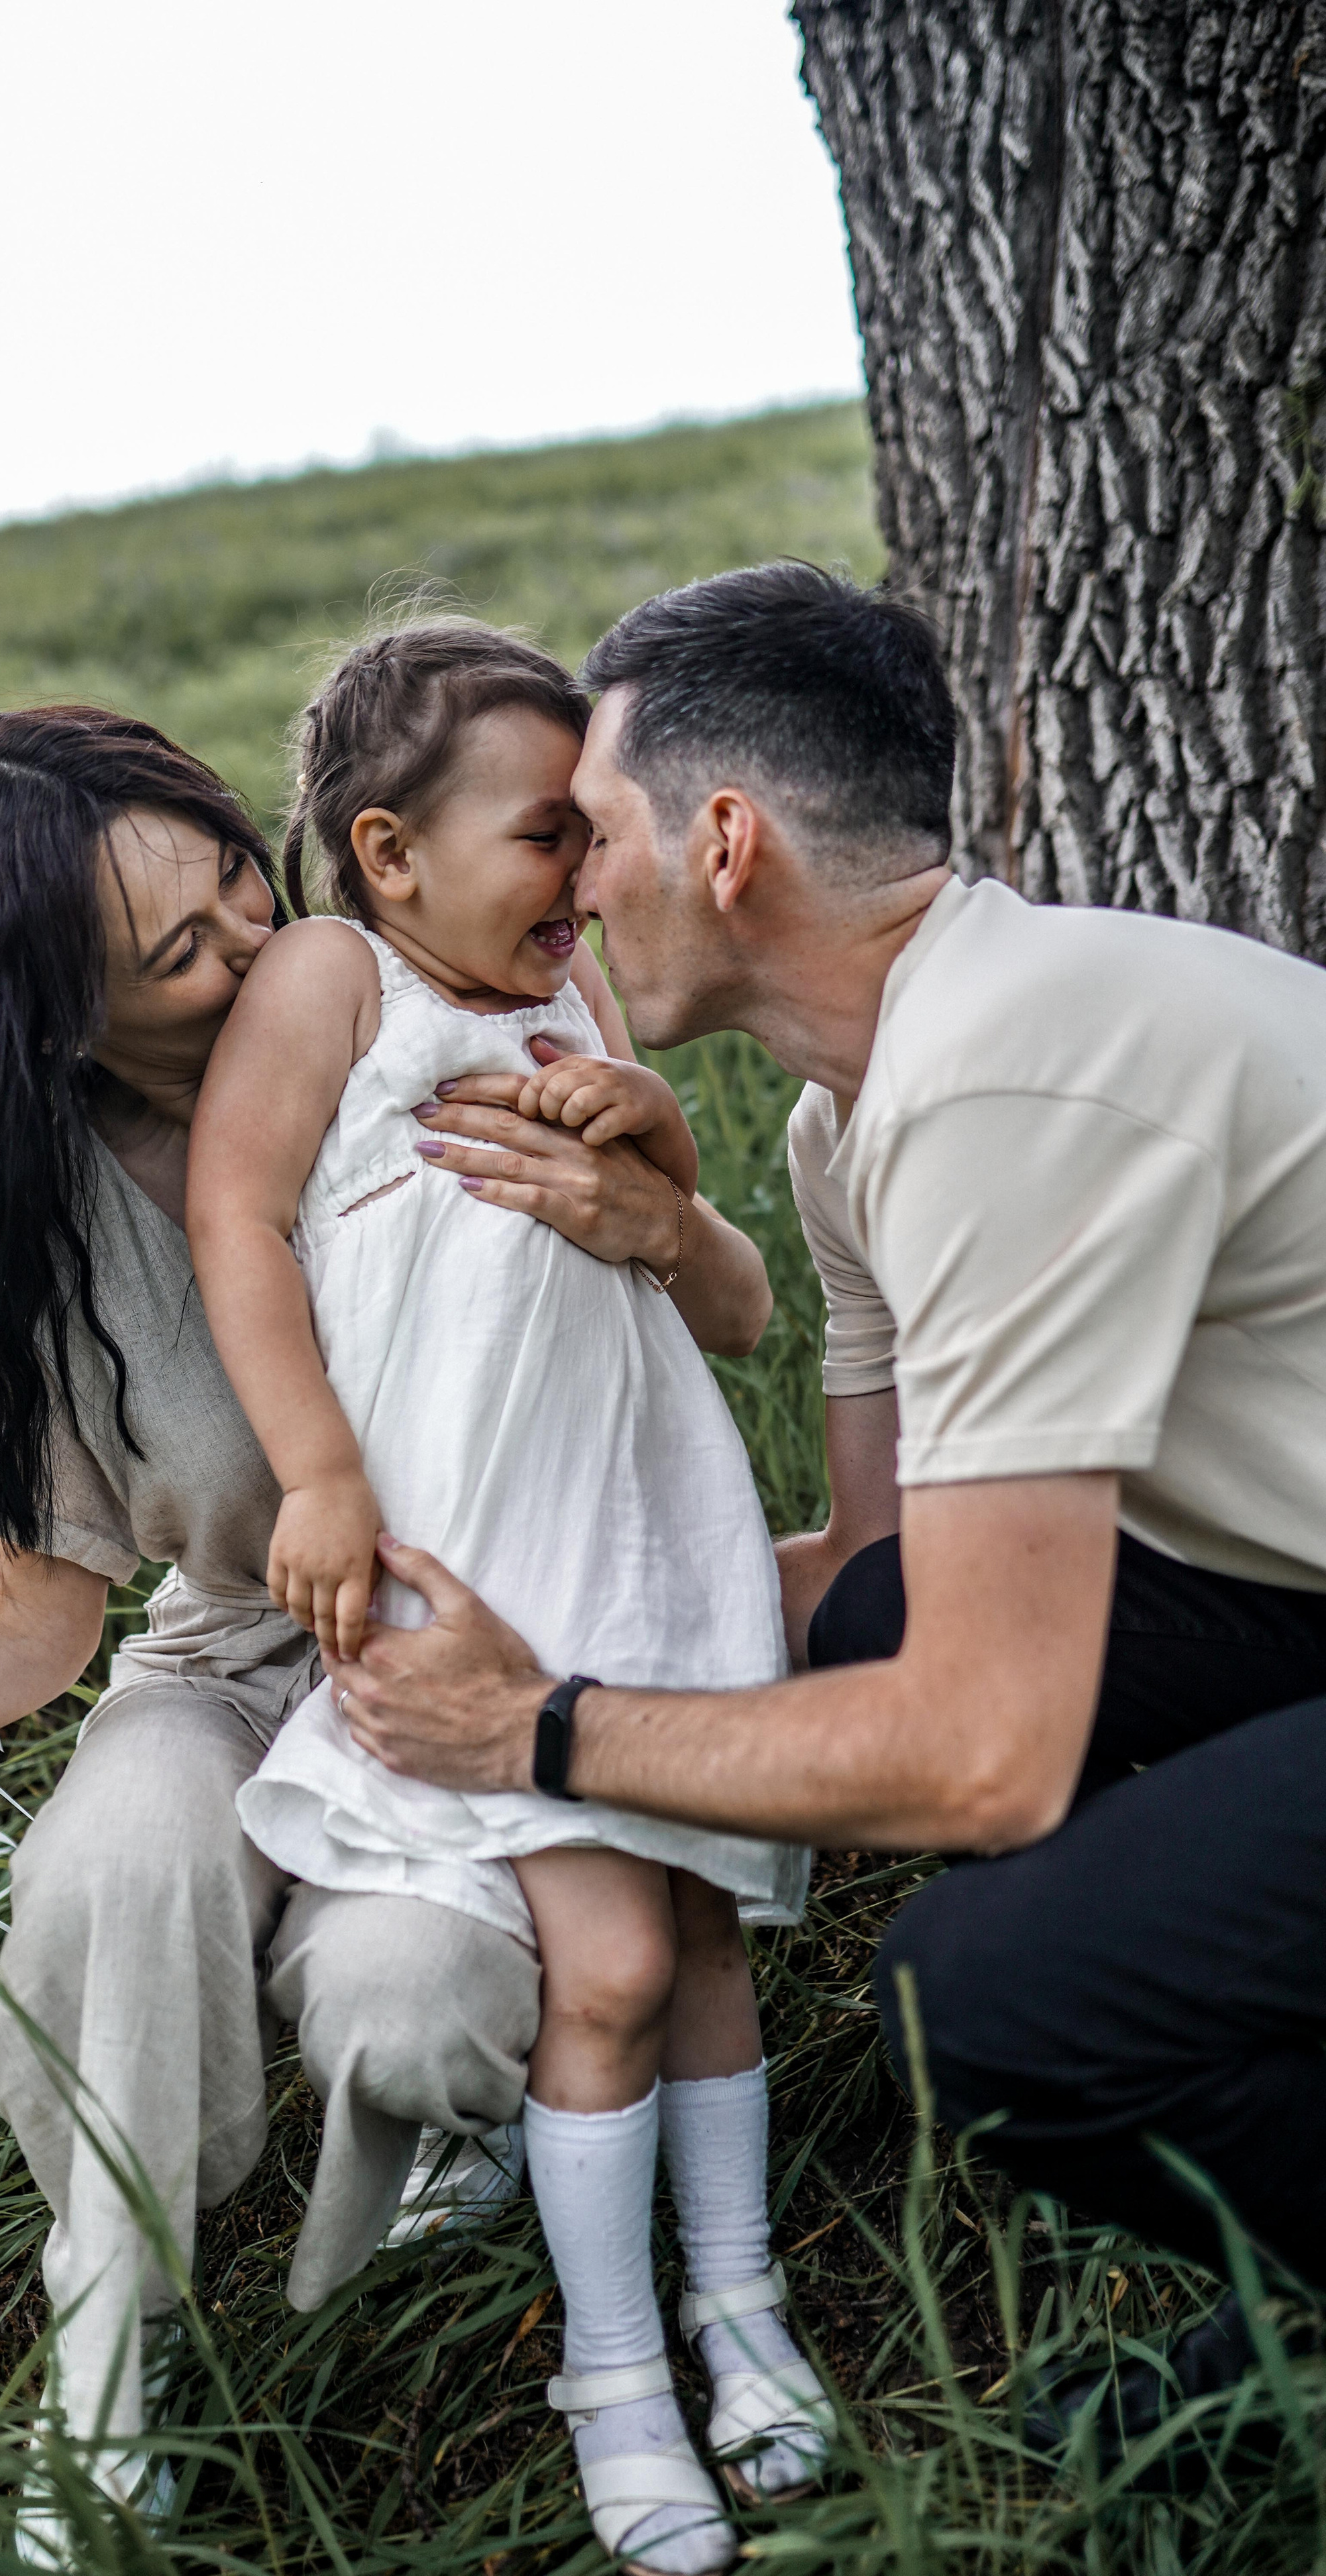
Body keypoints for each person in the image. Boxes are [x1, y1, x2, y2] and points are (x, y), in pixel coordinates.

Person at [0, 705, 777, 2543]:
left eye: (244, 880)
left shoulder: (421, 1005)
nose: (259, 949)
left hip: (483, 1643)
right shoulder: (44, 1218)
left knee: (415, 2006)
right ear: (58, 1020)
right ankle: (105, 2343)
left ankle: (446, 2136)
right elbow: (27, 1630)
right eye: (184, 953)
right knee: (120, 1857)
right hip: (231, 1652)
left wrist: (657, 1215)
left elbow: (725, 1308)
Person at [319, 564, 1326, 2456]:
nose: (572, 887)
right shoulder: (851, 1118)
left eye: (591, 831)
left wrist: (534, 1727)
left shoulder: (1013, 1079)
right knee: (870, 1622)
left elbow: (984, 1765)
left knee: (985, 2000)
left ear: (722, 841)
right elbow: (874, 1579)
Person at [186, 621, 828, 2572]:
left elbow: (733, 1310)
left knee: (700, 1940)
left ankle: (740, 2309)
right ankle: (613, 2373)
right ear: (388, 856)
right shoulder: (338, 979)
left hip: (645, 1543)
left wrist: (666, 1162)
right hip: (476, 1578)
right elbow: (236, 1209)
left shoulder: (580, 1011)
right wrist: (317, 1469)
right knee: (614, 1969)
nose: (590, 875)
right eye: (549, 834)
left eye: (597, 830)